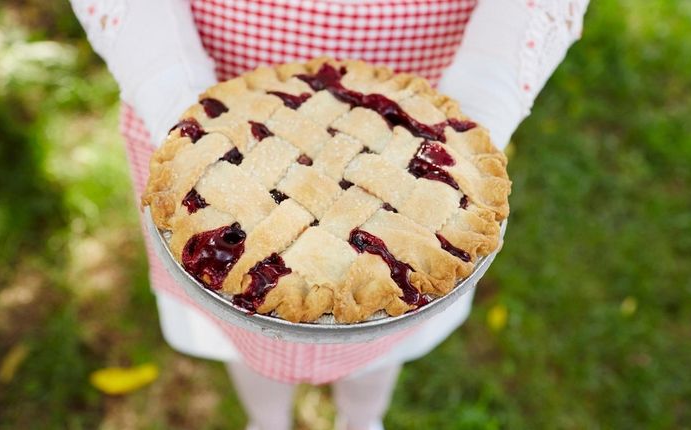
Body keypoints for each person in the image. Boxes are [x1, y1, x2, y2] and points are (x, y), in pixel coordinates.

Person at [71, 1, 588, 429]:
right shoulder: (192, 122)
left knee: (385, 328)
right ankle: (266, 419)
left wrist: (480, 103)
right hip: (208, 118)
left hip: (416, 124)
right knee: (239, 326)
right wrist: (177, 99)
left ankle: (361, 418)